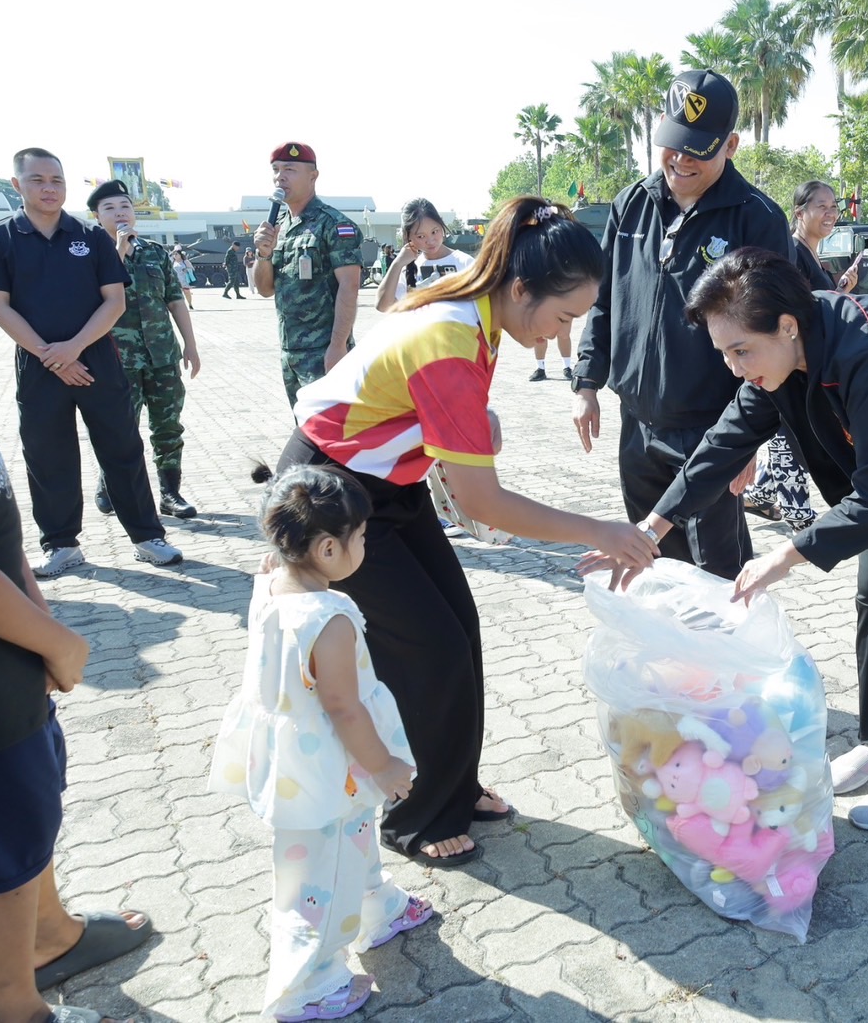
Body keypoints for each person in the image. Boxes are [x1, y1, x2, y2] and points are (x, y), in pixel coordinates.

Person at [277, 196, 658, 865]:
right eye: (564, 316)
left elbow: (434, 410)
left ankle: (456, 782)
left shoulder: (480, 311)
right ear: (522, 288)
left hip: (388, 479)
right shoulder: (451, 332)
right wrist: (599, 530)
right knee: (428, 647)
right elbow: (485, 502)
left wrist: (478, 424)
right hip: (332, 494)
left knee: (459, 627)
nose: (563, 334)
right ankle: (416, 816)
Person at [618, 248, 868, 832]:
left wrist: (786, 555)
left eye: (741, 350)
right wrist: (652, 527)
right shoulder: (779, 360)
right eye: (724, 354)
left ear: (787, 326)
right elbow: (723, 443)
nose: (734, 368)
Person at [0, 162, 153, 1023]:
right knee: (2, 854)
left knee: (30, 807)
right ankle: (15, 1006)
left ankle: (52, 934)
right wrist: (58, 642)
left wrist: (35, 617)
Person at [209, 466, 431, 1022]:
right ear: (329, 548)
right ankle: (307, 986)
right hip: (328, 768)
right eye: (362, 536)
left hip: (298, 763)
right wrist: (384, 767)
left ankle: (379, 908)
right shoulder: (330, 618)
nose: (365, 545)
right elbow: (343, 707)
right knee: (316, 882)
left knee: (351, 843)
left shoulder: (270, 584)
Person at [572, 69, 792, 579]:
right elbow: (604, 299)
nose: (681, 160)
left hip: (710, 429)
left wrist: (745, 438)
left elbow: (772, 340)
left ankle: (727, 636)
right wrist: (586, 383)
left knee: (716, 575)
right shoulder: (631, 205)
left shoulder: (756, 218)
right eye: (674, 145)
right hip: (637, 424)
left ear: (731, 145)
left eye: (699, 149)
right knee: (649, 565)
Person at [0, 148, 181, 577]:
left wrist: (73, 348)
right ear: (17, 185)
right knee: (48, 454)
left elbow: (114, 301)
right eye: (37, 180)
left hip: (98, 358)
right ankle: (61, 544)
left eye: (56, 180)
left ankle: (147, 537)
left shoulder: (90, 237)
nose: (49, 189)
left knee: (122, 448)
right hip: (37, 363)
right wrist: (51, 355)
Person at [743, 179, 859, 532]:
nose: (830, 213)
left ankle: (761, 496)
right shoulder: (792, 253)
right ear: (799, 212)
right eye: (821, 207)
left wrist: (841, 290)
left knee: (791, 438)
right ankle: (801, 521)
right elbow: (797, 310)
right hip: (789, 366)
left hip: (810, 365)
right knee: (788, 438)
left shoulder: (812, 254)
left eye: (834, 207)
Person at [85, 180, 200, 520]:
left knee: (168, 426)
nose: (119, 213)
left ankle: (170, 493)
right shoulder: (90, 254)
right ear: (96, 216)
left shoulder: (155, 253)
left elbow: (174, 300)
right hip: (116, 358)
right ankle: (110, 484)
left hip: (161, 355)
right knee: (119, 427)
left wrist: (190, 345)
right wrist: (118, 251)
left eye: (125, 206)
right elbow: (90, 299)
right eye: (109, 208)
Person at [252, 143, 364, 408]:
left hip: (324, 351)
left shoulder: (334, 224)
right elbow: (265, 289)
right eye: (276, 170)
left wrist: (338, 346)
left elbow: (349, 286)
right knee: (304, 426)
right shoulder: (279, 226)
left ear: (313, 176)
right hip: (291, 352)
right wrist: (263, 254)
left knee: (334, 426)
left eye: (290, 169)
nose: (280, 177)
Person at [375, 199, 474, 313]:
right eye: (421, 236)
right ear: (407, 236)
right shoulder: (406, 268)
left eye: (434, 232)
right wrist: (397, 264)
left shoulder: (465, 263)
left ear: (441, 224)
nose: (430, 241)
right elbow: (383, 306)